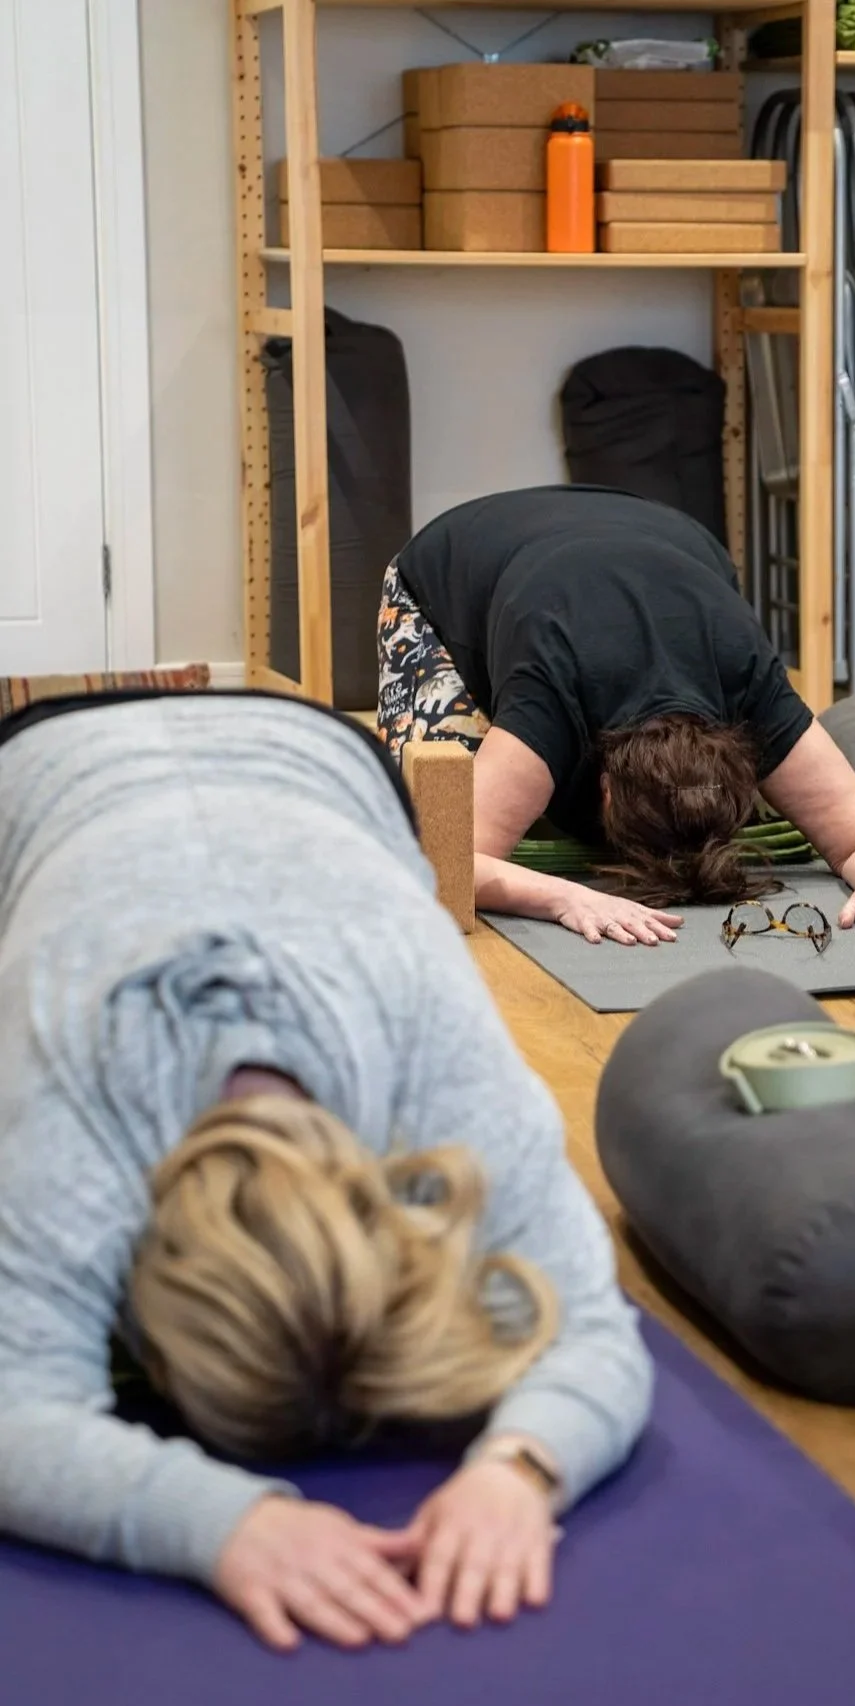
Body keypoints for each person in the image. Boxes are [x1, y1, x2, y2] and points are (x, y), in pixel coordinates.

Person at [0, 690, 652, 1652]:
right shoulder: (70, 1108)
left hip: (316, 756)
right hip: (38, 773)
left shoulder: (437, 1061)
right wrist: (218, 1522)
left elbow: (594, 1328)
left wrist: (519, 1468)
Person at [377, 485, 855, 946]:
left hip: (656, 528)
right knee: (434, 797)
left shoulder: (749, 685)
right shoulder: (552, 698)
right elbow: (444, 860)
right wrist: (566, 897)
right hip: (454, 557)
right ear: (603, 786)